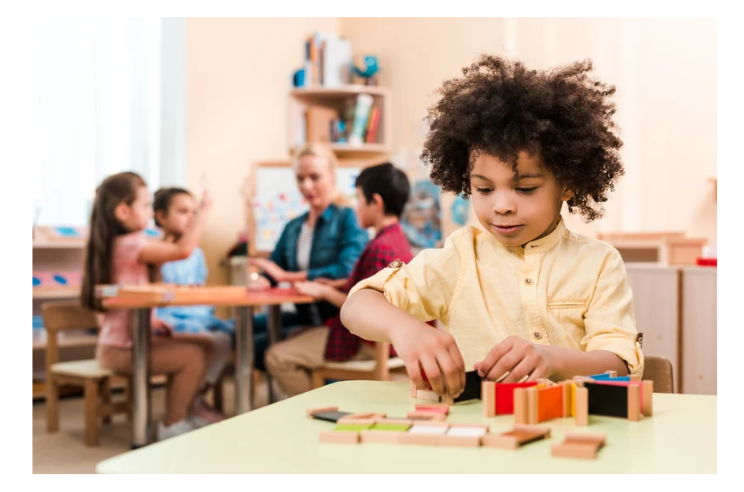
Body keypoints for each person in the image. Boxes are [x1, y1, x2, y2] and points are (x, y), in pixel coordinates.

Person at [340, 55, 644, 399]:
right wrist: (404, 328)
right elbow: (356, 305)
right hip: (480, 434)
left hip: (573, 430)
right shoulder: (459, 257)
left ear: (568, 183)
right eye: (484, 189)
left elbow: (621, 364)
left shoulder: (598, 263)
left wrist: (552, 360)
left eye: (525, 188)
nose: (501, 205)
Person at [81, 172, 218, 440]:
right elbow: (183, 250)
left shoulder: (120, 244)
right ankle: (173, 424)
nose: (150, 212)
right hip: (121, 350)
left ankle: (185, 413)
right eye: (145, 206)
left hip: (125, 343)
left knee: (206, 345)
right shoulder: (131, 243)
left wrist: (152, 320)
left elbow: (131, 298)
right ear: (123, 211)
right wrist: (204, 210)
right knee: (193, 356)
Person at [264, 163, 413, 396]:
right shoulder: (396, 240)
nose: (356, 207)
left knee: (276, 356)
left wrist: (324, 292)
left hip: (368, 342)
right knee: (295, 335)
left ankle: (313, 413)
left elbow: (369, 309)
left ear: (376, 203)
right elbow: (369, 287)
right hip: (383, 339)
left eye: (359, 199)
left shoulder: (380, 247)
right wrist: (332, 284)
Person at [247, 144, 369, 372]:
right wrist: (265, 279)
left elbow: (346, 269)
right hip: (305, 315)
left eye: (314, 177)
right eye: (300, 179)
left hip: (335, 319)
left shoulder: (348, 218)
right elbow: (274, 267)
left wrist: (288, 276)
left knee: (258, 347)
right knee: (238, 330)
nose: (306, 186)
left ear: (332, 176)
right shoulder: (294, 226)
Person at [152, 186, 232, 424]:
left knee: (225, 338)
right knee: (210, 342)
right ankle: (189, 405)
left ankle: (196, 398)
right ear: (161, 217)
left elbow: (200, 287)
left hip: (197, 316)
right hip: (170, 320)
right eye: (183, 211)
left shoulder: (196, 253)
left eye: (194, 212)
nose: (191, 218)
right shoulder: (155, 251)